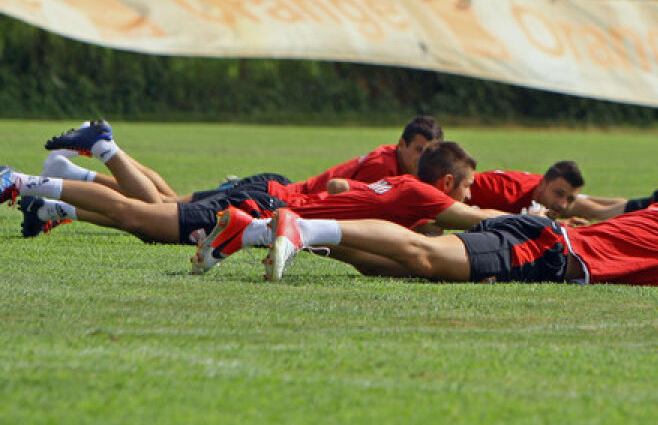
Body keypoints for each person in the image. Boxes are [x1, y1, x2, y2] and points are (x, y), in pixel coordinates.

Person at [251, 166, 658, 285]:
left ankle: (289, 236)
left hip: (547, 241)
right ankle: (305, 229)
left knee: (393, 265)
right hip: (546, 251)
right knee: (424, 257)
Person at [0, 141, 505, 256]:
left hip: (267, 200)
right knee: (140, 213)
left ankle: (53, 194)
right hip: (260, 209)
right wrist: (543, 225)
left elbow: (340, 191)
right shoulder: (422, 194)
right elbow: (474, 217)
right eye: (463, 186)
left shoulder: (405, 187)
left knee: (143, 217)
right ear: (444, 187)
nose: (467, 194)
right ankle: (21, 181)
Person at [32, 116, 443, 205]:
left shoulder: (388, 159)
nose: (424, 159)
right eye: (419, 150)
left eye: (431, 154)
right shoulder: (383, 168)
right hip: (274, 194)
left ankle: (75, 170)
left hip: (275, 187)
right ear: (402, 144)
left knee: (167, 201)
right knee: (157, 208)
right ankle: (103, 147)